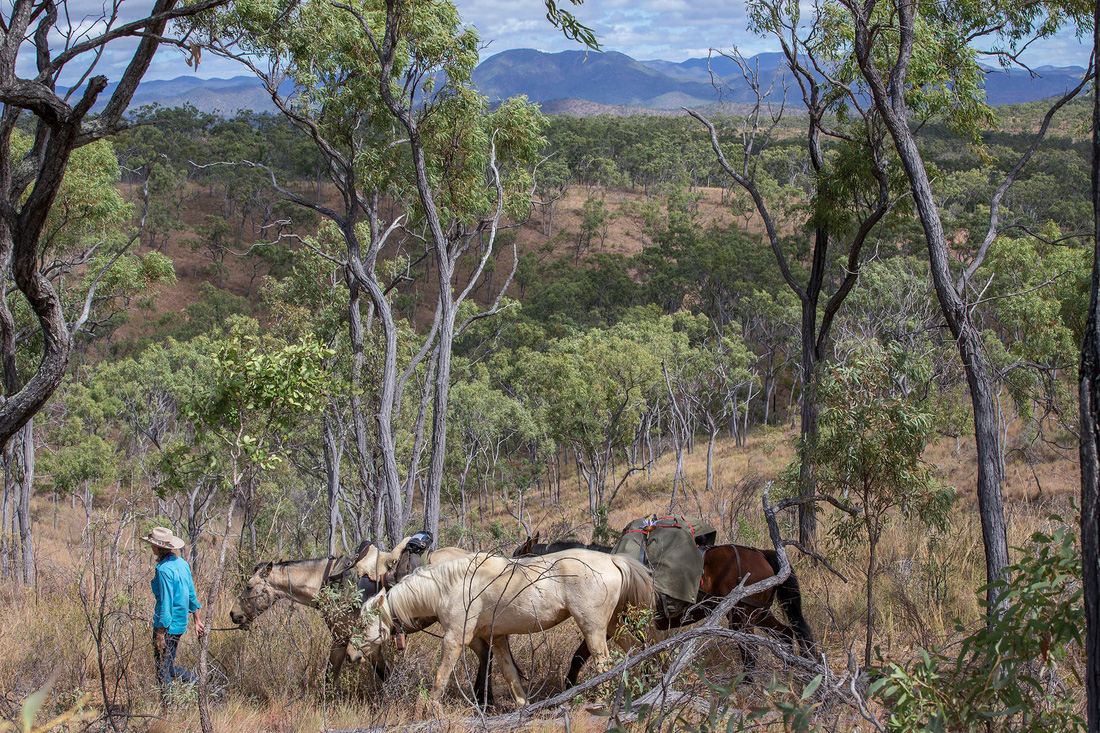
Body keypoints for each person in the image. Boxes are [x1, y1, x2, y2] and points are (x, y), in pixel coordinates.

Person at [142, 526, 205, 703]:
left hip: (167, 626)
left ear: (157, 547)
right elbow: (191, 595)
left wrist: (160, 632)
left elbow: (166, 605)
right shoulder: (182, 564)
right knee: (168, 667)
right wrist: (197, 620)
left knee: (163, 669)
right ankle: (199, 685)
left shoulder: (163, 570)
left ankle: (168, 707)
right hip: (180, 624)